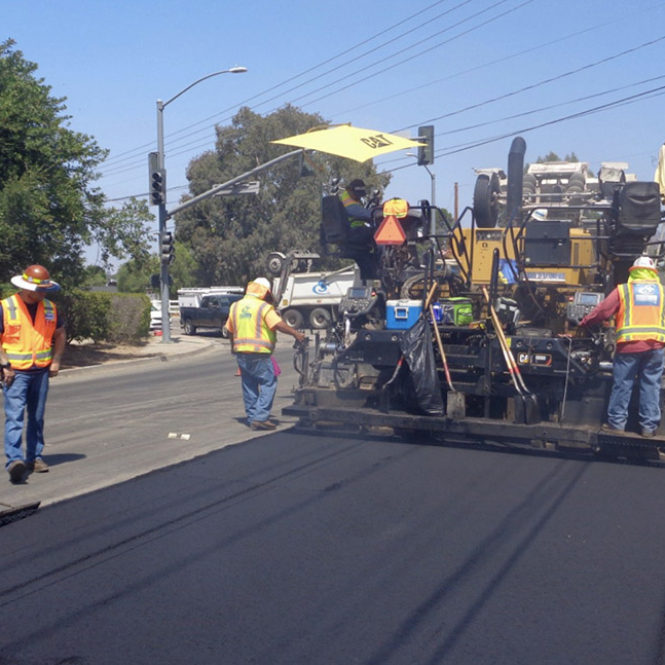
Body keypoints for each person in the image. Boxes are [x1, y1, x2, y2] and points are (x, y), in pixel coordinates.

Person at [579, 255, 665, 437]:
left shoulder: (624, 290)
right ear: (653, 273)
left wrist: (585, 322)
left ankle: (617, 424)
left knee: (622, 384)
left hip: (629, 346)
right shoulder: (662, 292)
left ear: (633, 272)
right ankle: (648, 428)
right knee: (651, 385)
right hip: (656, 346)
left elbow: (603, 310)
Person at [0, 265, 66, 483]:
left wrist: (56, 361)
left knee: (37, 418)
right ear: (28, 289)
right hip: (15, 373)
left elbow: (60, 334)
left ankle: (34, 458)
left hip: (41, 372)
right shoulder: (6, 307)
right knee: (15, 417)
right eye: (41, 290)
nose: (44, 294)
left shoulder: (50, 308)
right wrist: (4, 364)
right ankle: (14, 461)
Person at [224, 277, 306, 430]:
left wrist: (233, 347)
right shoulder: (263, 307)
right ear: (263, 291)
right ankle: (261, 417)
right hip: (259, 353)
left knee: (249, 385)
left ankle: (252, 417)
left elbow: (229, 330)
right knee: (269, 382)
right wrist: (295, 333)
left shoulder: (235, 306)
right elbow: (278, 324)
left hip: (241, 353)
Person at [339, 179, 378, 281]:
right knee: (379, 237)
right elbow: (361, 213)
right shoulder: (347, 200)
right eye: (357, 194)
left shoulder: (351, 198)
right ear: (350, 190)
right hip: (354, 230)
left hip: (353, 230)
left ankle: (370, 274)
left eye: (360, 195)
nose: (359, 197)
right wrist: (379, 212)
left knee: (367, 259)